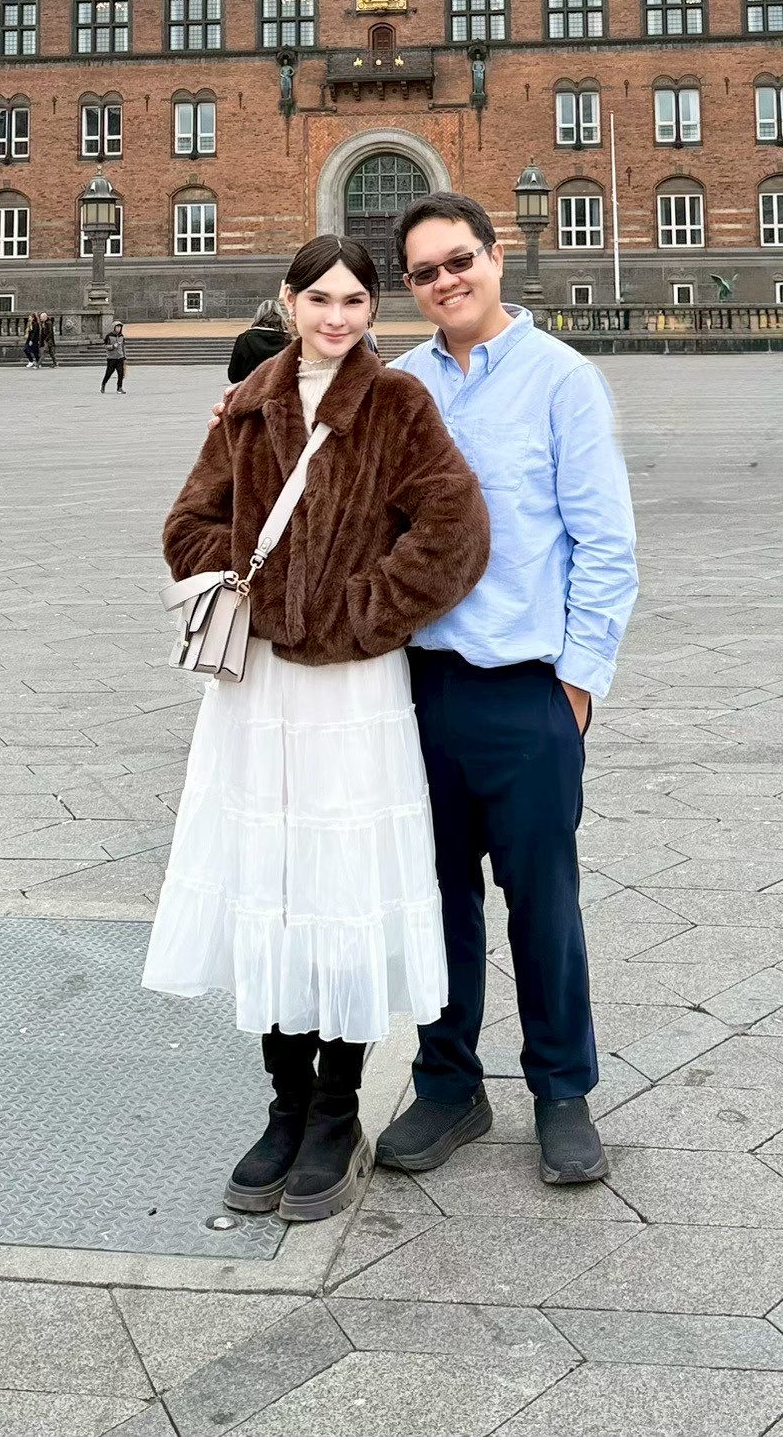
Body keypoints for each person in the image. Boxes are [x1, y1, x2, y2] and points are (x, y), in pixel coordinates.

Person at [144, 234, 490, 1225]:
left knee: (339, 882)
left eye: (354, 302)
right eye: (320, 299)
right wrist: (264, 598)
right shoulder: (250, 406)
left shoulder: (397, 404)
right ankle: (284, 1103)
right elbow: (187, 526)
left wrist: (357, 612)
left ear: (374, 311)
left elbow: (456, 531)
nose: (337, 318)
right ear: (288, 303)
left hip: (349, 690)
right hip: (257, 689)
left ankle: (336, 1110)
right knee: (272, 879)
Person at [374, 192, 638, 1190]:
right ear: (411, 288)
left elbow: (605, 543)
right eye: (426, 272)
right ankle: (449, 1085)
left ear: (496, 256)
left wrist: (577, 686)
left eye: (460, 261)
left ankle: (563, 1091)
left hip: (528, 691)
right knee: (436, 900)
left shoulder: (562, 380)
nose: (447, 282)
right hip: (423, 686)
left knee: (544, 904)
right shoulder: (399, 387)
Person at [228, 296, 292, 385]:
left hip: (251, 389)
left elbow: (234, 375)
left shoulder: (244, 339)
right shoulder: (289, 340)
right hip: (281, 389)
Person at [101, 322, 126, 393]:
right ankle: (103, 384)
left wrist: (124, 356)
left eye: (120, 327)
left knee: (120, 373)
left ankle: (119, 387)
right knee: (109, 373)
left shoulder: (121, 336)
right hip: (111, 358)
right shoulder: (109, 336)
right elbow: (105, 346)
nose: (118, 328)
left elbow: (123, 347)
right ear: (114, 327)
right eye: (117, 327)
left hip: (120, 357)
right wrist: (112, 346)